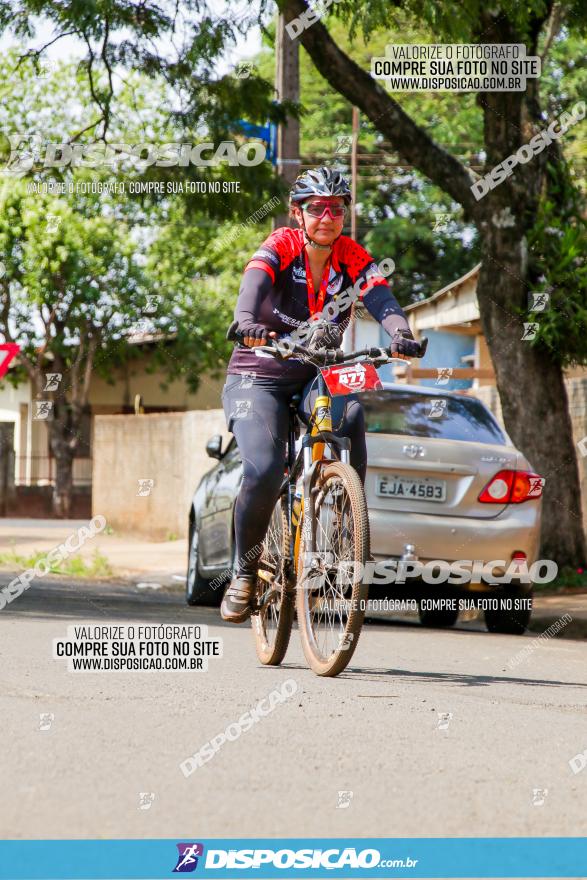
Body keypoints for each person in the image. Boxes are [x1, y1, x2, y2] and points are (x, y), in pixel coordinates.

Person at [220, 166, 421, 623]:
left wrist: (400, 333)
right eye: (317, 208)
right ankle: (244, 573)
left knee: (350, 419)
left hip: (318, 372)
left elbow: (383, 302)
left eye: (337, 208)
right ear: (298, 213)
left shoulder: (352, 256)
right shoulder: (281, 246)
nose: (328, 216)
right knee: (265, 468)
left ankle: (349, 528)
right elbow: (252, 286)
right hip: (260, 373)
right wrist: (247, 320)